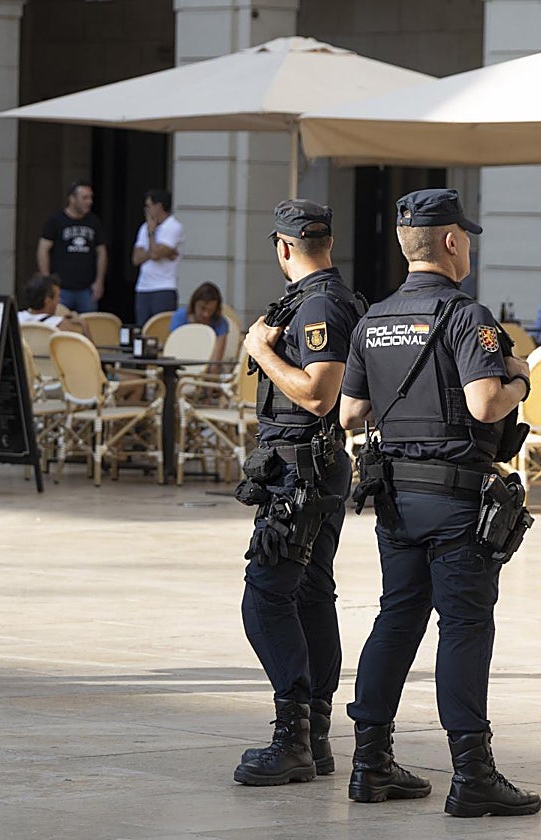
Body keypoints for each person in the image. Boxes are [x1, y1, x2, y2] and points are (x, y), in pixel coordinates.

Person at [338, 189, 541, 818]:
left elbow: (349, 413)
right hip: (456, 499)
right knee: (464, 626)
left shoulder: (373, 320)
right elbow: (485, 404)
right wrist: (521, 377)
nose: (470, 247)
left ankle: (370, 765)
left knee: (396, 619)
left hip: (395, 497)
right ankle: (472, 774)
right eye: (468, 238)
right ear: (451, 242)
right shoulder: (465, 315)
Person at [232, 200, 365, 787]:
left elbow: (318, 393)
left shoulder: (318, 306)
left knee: (265, 597)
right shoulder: (331, 299)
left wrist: (260, 350)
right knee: (311, 594)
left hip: (302, 474)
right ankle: (313, 735)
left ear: (284, 248)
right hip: (311, 470)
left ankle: (293, 738)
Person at [36, 181, 108, 314]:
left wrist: (99, 281)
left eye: (91, 197)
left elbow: (101, 252)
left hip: (87, 289)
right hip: (61, 289)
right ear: (72, 198)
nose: (89, 202)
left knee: (89, 327)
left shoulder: (94, 222)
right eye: (85, 198)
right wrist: (47, 280)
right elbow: (43, 249)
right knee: (59, 325)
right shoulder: (55, 221)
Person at [132, 188, 184, 326]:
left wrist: (152, 234)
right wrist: (162, 252)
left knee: (160, 329)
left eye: (148, 205)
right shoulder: (144, 227)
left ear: (159, 206)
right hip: (143, 287)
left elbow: (154, 254)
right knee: (142, 329)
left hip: (163, 287)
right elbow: (136, 258)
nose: (146, 209)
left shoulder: (173, 227)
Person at [169, 282, 230, 365]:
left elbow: (216, 360)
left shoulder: (220, 322)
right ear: (194, 304)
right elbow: (174, 347)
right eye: (202, 308)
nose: (206, 314)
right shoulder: (180, 317)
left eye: (211, 310)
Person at [18, 273, 89, 337]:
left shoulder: (16, 319)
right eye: (57, 297)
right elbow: (86, 350)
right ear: (47, 301)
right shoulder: (62, 325)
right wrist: (83, 324)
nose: (59, 300)